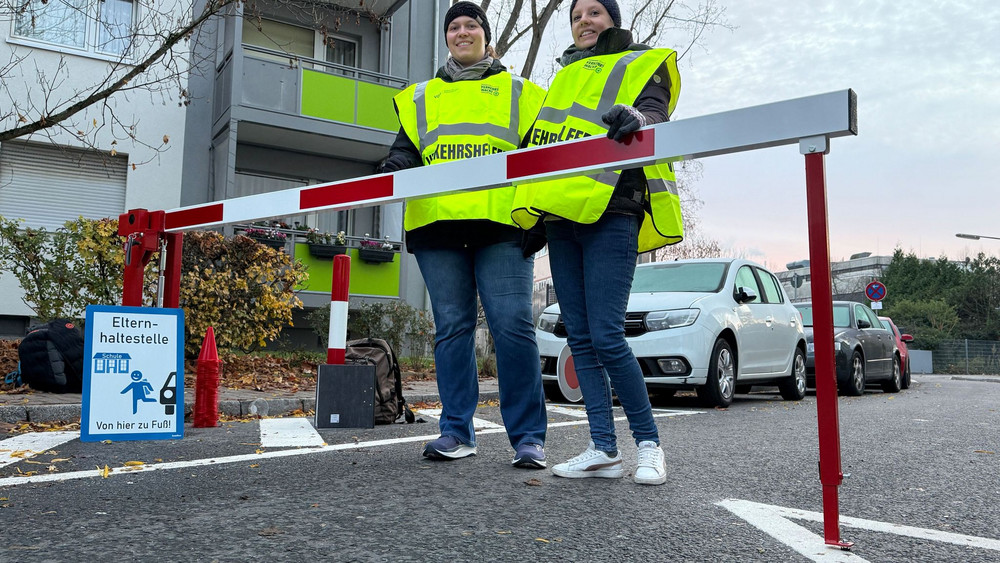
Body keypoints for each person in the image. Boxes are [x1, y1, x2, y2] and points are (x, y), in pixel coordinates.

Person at [511, 0, 683, 485]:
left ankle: (649, 446)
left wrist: (639, 119)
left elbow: (653, 113)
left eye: (594, 12)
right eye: (575, 15)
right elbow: (542, 149)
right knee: (580, 336)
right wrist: (535, 221)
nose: (584, 21)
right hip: (563, 218)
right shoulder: (562, 79)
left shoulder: (642, 62)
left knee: (607, 335)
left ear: (613, 20)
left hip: (613, 209)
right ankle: (603, 449)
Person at [380, 2, 548, 468]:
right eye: (453, 26)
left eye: (470, 25)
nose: (460, 32)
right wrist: (392, 169)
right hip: (439, 228)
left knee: (512, 328)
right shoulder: (421, 97)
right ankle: (456, 432)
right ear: (447, 39)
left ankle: (529, 438)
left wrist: (541, 219)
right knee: (452, 329)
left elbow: (543, 157)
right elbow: (406, 152)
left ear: (486, 38)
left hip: (503, 227)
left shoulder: (522, 93)